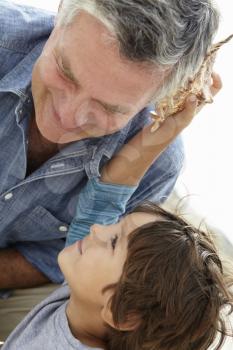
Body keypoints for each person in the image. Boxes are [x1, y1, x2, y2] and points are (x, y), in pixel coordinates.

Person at [0, 0, 220, 291]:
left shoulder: (157, 162)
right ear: (63, 11)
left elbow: (65, 261)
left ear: (163, 97)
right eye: (66, 72)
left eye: (110, 108)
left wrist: (143, 153)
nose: (67, 117)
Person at [2, 76, 232, 350]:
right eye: (115, 228)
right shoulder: (84, 296)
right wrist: (168, 130)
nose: (98, 229)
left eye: (113, 242)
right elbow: (107, 195)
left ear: (120, 314)